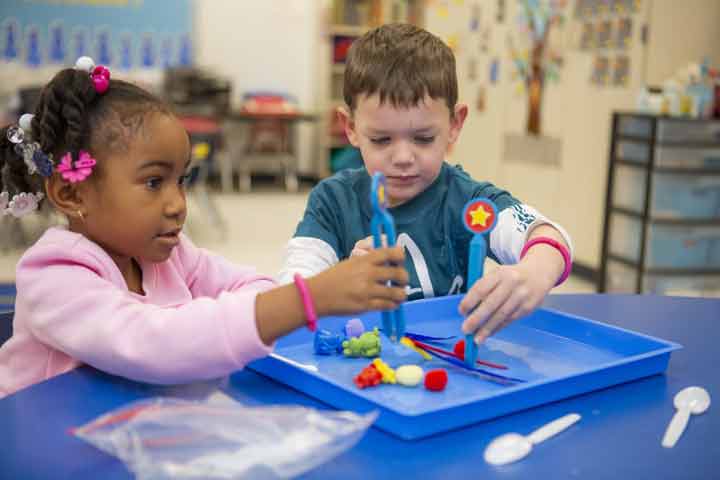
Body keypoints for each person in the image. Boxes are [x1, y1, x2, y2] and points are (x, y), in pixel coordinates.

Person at [0, 57, 407, 398]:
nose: (178, 205)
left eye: (183, 181)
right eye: (154, 182)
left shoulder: (170, 255)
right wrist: (307, 299)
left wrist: (218, 322)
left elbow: (254, 285)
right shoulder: (53, 276)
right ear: (72, 195)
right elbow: (154, 344)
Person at [279, 24, 573, 346]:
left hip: (450, 376)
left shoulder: (468, 201)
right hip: (357, 371)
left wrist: (534, 272)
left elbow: (544, 234)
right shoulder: (333, 202)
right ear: (350, 128)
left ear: (454, 125)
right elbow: (292, 291)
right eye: (381, 139)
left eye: (423, 138)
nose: (403, 157)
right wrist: (341, 283)